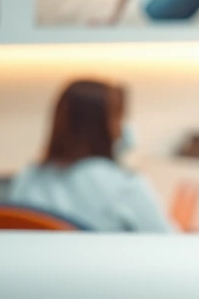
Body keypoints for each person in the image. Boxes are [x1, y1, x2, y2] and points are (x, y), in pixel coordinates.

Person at [9, 79, 172, 232]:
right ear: (105, 126)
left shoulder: (28, 177)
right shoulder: (123, 185)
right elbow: (171, 245)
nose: (124, 127)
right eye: (119, 117)